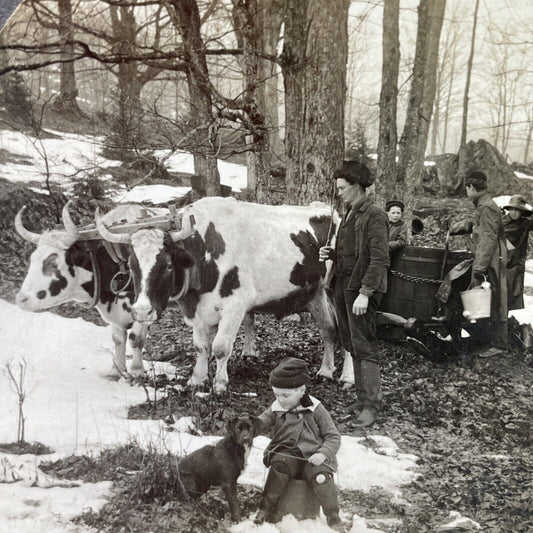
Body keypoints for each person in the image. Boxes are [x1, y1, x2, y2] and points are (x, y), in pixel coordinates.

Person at [319, 160, 389, 427]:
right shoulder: (349, 212)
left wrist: (366, 293)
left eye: (343, 188)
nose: (339, 192)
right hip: (343, 287)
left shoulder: (375, 215)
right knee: (350, 343)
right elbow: (353, 253)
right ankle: (361, 399)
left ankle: (372, 406)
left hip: (360, 291)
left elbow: (379, 259)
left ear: (358, 187)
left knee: (364, 346)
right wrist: (332, 255)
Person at [254, 357, 344, 531]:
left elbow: (333, 436)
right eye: (277, 395)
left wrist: (324, 453)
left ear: (301, 390)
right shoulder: (277, 407)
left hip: (314, 457)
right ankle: (266, 507)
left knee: (322, 478)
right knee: (279, 466)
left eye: (285, 395)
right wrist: (248, 428)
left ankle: (333, 516)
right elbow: (261, 422)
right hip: (288, 454)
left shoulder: (316, 409)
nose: (280, 399)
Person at [449, 170, 508, 358]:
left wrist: (480, 267)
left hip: (490, 261)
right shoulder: (483, 205)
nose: (466, 193)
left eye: (467, 188)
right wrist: (459, 226)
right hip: (486, 258)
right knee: (485, 299)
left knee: (493, 300)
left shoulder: (487, 207)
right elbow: (477, 227)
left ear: (471, 188)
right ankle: (486, 340)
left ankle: (498, 344)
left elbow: (487, 239)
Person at [502, 194, 533, 311]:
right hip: (501, 260)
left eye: (517, 210)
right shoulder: (501, 222)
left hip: (515, 264)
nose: (514, 212)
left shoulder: (525, 223)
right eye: (512, 209)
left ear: (522, 212)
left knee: (511, 294)